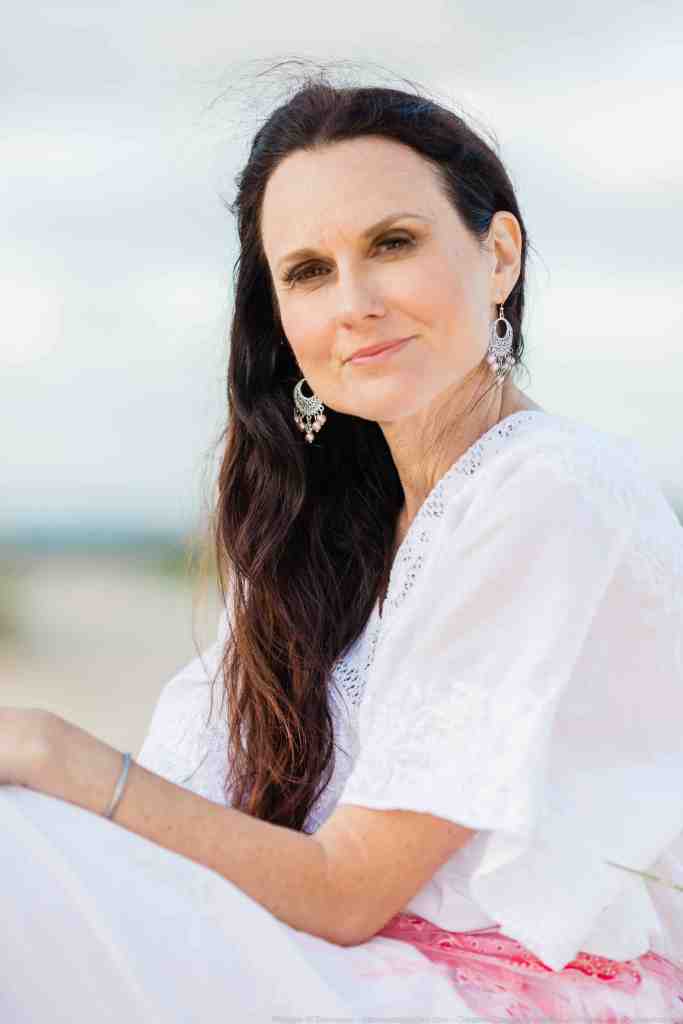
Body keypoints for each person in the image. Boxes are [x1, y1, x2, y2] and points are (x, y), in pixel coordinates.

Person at [2, 75, 683, 1023]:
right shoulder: (333, 530)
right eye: (308, 272)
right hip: (339, 968)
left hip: (490, 998)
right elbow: (195, 817)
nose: (353, 303)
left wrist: (46, 748)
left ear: (498, 255)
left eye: (391, 244)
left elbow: (347, 891)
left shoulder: (551, 491)